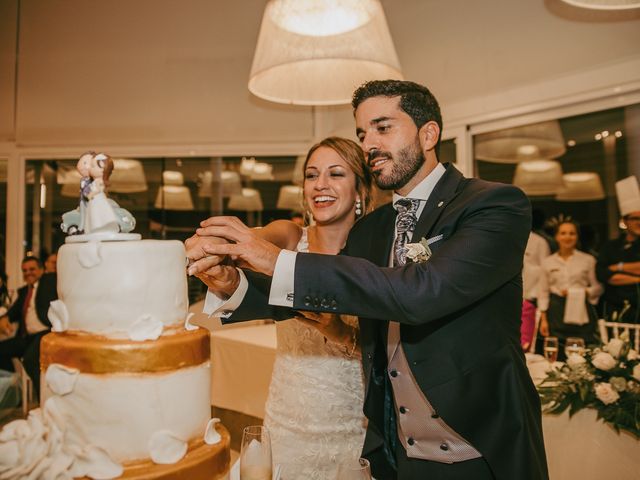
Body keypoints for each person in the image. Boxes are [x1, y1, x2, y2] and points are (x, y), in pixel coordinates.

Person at [186, 80, 548, 480]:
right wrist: (228, 282)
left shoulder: (492, 205)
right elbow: (319, 292)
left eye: (383, 127)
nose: (369, 143)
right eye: (362, 133)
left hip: (479, 448)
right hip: (394, 454)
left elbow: (421, 293)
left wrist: (274, 259)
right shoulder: (371, 230)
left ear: (429, 134)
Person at [197, 137, 372, 478]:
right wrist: (218, 244)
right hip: (286, 419)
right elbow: (257, 240)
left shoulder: (376, 257)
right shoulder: (291, 236)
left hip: (352, 425)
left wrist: (337, 331)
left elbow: (390, 354)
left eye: (336, 174)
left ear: (360, 191)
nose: (320, 184)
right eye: (311, 175)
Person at [538, 218, 603, 358]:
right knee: (559, 352)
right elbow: (543, 292)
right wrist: (543, 320)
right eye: (563, 233)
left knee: (583, 352)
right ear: (556, 237)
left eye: (572, 233)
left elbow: (598, 288)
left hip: (581, 310)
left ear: (577, 237)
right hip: (556, 311)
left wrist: (584, 292)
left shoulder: (588, 260)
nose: (567, 237)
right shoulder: (547, 262)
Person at [0, 256, 57, 400]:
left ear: (42, 270)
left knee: (31, 359)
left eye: (32, 269)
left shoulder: (49, 282)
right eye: (24, 270)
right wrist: (4, 318)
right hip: (27, 337)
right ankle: (13, 390)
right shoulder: (24, 291)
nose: (28, 273)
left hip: (46, 333)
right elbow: (14, 311)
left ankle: (43, 401)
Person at [596, 176, 640, 323]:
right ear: (625, 221)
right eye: (635, 219)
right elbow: (603, 274)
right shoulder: (611, 246)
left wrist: (618, 267)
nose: (639, 223)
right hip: (615, 312)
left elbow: (612, 273)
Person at [521, 231, 550, 351]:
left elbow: (545, 274)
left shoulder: (539, 242)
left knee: (524, 347)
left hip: (528, 303)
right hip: (501, 302)